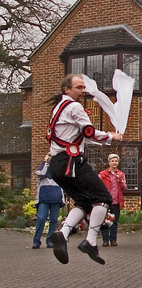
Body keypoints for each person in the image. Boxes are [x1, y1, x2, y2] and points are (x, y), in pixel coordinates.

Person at [47, 74, 122, 265]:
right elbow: (89, 131)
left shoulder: (58, 108)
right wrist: (111, 136)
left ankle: (62, 234)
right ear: (67, 90)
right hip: (71, 162)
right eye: (79, 87)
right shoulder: (74, 106)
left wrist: (107, 139)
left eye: (82, 87)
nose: (83, 91)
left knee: (84, 201)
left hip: (57, 165)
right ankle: (89, 241)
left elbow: (81, 137)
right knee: (103, 198)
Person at [33, 154, 63, 249]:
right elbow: (40, 173)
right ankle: (36, 241)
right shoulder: (43, 167)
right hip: (44, 197)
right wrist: (46, 163)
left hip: (56, 198)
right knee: (41, 218)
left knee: (54, 220)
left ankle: (50, 240)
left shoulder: (59, 168)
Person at [98, 153, 126, 247]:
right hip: (106, 201)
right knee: (105, 221)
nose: (114, 163)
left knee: (114, 222)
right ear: (109, 162)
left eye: (116, 161)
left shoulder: (121, 174)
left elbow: (124, 188)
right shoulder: (103, 174)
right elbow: (98, 186)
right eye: (112, 161)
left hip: (116, 201)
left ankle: (113, 240)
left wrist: (121, 180)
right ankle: (105, 240)